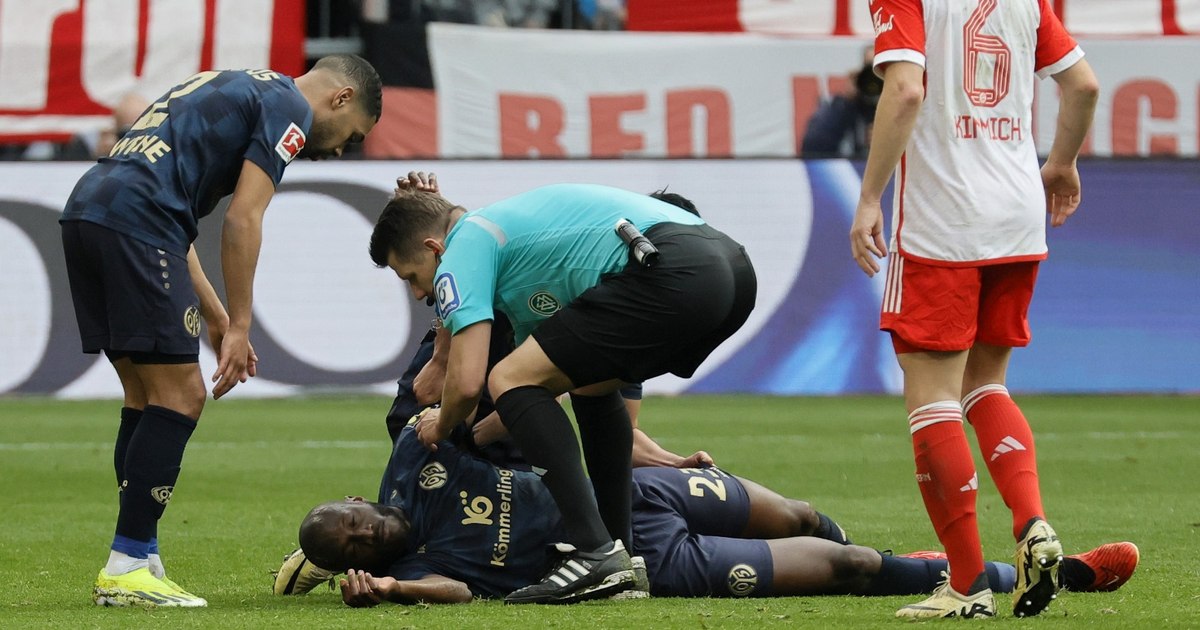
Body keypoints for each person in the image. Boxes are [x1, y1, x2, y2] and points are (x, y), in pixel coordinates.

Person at [59, 54, 383, 608]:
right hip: (139, 224)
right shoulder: (290, 109)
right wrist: (242, 324)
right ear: (341, 98)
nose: (334, 150)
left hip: (89, 211)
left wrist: (216, 317)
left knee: (143, 396)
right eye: (350, 138)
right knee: (181, 395)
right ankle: (129, 562)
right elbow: (243, 218)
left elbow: (173, 212)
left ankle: (138, 556)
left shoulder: (239, 83)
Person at [369, 179, 757, 603]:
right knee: (588, 383)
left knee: (507, 377)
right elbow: (543, 395)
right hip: (731, 270)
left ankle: (595, 554)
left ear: (433, 248)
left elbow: (466, 384)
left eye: (411, 276)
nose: (420, 293)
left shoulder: (466, 243)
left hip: (674, 267)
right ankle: (619, 553)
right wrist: (470, 437)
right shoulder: (523, 258)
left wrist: (439, 426)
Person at [276, 417, 1137, 607]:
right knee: (848, 571)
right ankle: (1045, 573)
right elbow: (461, 601)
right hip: (655, 566)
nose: (364, 532)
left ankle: (915, 560)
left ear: (361, 501)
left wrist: (658, 457)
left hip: (637, 495)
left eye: (352, 523)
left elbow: (451, 371)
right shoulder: (422, 568)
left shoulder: (415, 465)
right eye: (350, 544)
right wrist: (386, 590)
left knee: (803, 516)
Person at [849, 0, 1100, 619]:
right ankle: (1032, 522)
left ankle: (966, 584)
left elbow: (906, 91)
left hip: (941, 221)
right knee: (986, 384)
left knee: (931, 396)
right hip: (1017, 217)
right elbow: (1083, 85)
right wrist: (1062, 163)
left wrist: (869, 198)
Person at [801, 46, 883, 158]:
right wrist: (846, 100)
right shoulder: (847, 105)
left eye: (882, 69)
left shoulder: (903, 104)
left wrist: (892, 140)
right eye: (870, 69)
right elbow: (812, 147)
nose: (876, 76)